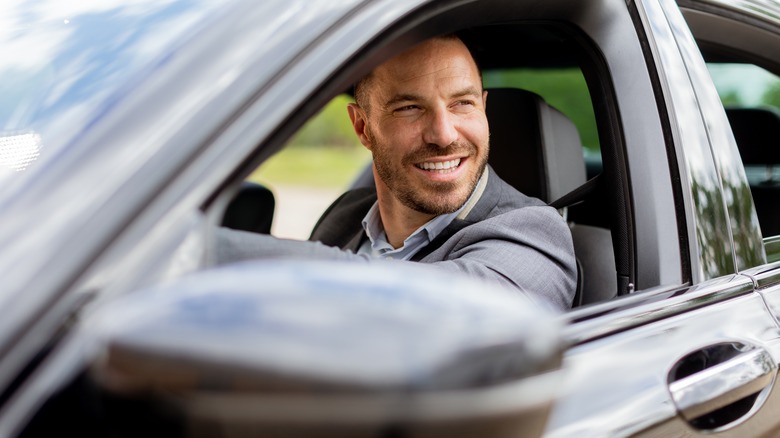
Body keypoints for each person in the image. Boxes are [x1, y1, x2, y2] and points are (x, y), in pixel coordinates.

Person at [216, 34, 577, 310]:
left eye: (462, 104)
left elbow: (436, 311)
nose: (444, 134)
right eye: (409, 108)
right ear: (362, 127)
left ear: (483, 108)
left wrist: (201, 253)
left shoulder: (535, 236)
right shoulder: (346, 216)